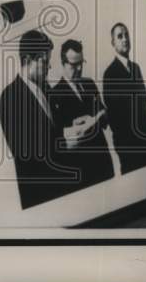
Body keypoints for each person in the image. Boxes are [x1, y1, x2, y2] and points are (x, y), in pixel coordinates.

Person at [0, 29, 79, 209]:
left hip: (65, 186)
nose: (49, 67)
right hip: (42, 194)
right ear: (27, 60)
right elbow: (26, 152)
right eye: (45, 61)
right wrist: (64, 142)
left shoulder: (45, 87)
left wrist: (70, 127)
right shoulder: (9, 98)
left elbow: (52, 128)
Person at [49, 39, 115, 189]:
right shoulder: (54, 95)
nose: (79, 68)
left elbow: (105, 117)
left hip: (104, 162)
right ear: (63, 63)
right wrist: (73, 127)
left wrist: (101, 115)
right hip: (82, 169)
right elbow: (59, 137)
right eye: (74, 64)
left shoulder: (89, 83)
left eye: (81, 62)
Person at [102, 23, 146, 174]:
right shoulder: (110, 74)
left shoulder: (136, 68)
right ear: (113, 43)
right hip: (131, 147)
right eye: (119, 36)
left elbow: (143, 105)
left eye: (126, 35)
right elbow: (116, 119)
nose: (125, 39)